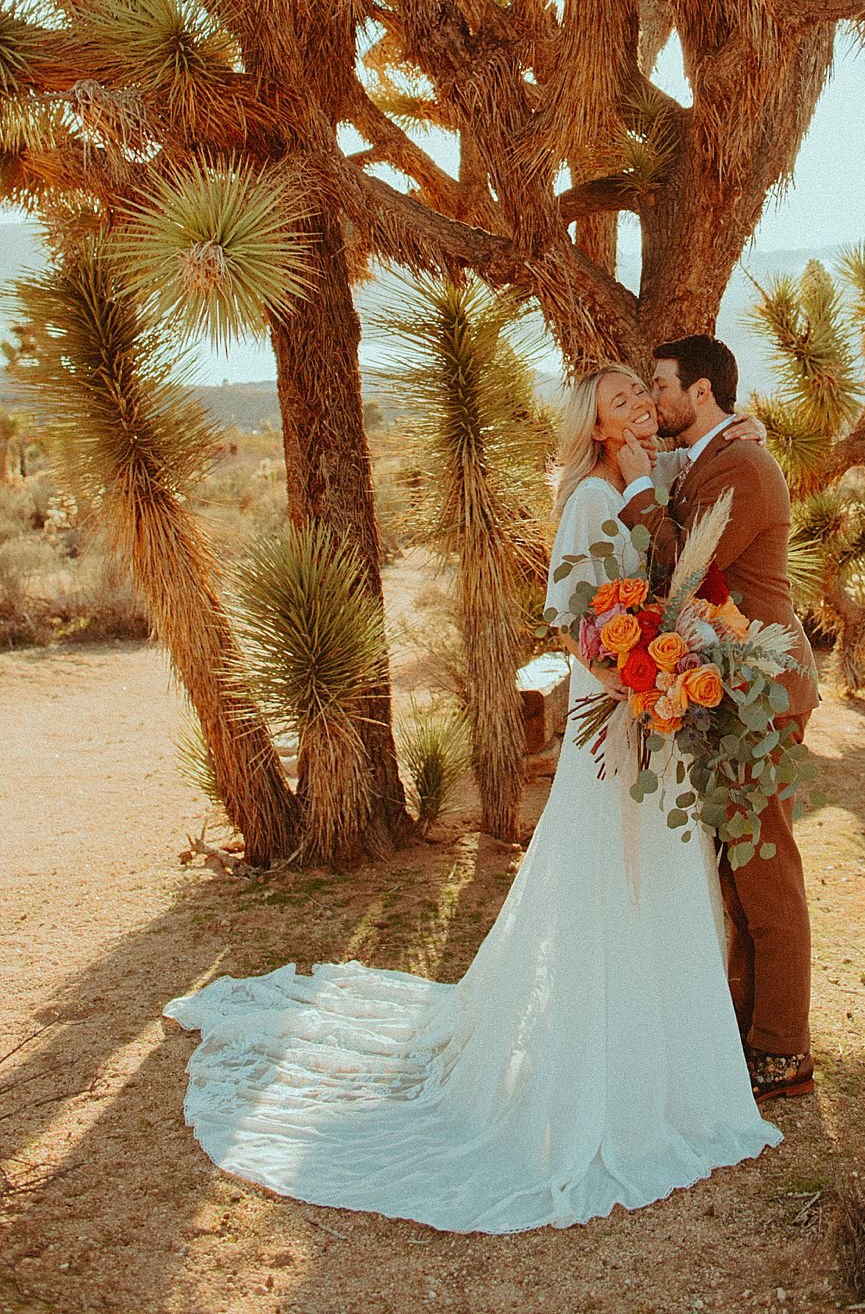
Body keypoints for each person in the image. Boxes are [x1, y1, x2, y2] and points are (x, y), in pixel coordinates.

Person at [162, 363, 779, 1233]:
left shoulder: (659, 478)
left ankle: (673, 1073)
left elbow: (697, 500)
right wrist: (632, 678)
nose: (642, 407)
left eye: (645, 394)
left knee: (663, 878)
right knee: (607, 881)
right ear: (596, 426)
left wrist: (743, 433)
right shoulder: (592, 503)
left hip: (662, 718)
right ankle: (597, 1074)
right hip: (622, 715)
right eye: (620, 403)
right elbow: (575, 617)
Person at [617, 334, 819, 1102]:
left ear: (701, 391)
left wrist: (637, 494)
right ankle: (748, 1030)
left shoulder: (740, 465)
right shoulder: (714, 457)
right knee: (740, 869)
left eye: (661, 384)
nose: (654, 398)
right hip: (736, 690)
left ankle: (783, 1050)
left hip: (762, 692)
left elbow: (686, 571)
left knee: (766, 872)